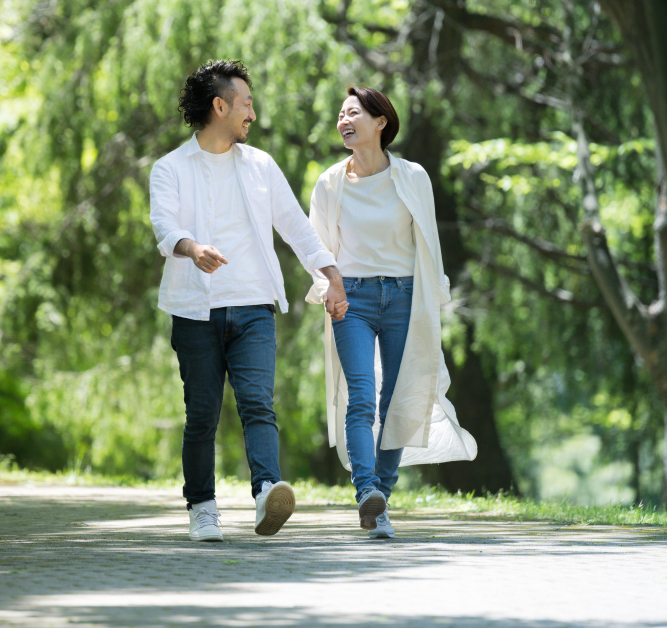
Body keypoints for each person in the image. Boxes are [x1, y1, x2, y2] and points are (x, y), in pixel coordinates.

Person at [149, 61, 348, 543]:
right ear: (219, 106)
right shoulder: (170, 167)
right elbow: (164, 227)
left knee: (259, 404)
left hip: (254, 305)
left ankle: (266, 495)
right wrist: (193, 249)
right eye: (246, 103)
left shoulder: (260, 164)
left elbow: (296, 226)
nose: (252, 114)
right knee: (203, 413)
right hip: (195, 310)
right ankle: (202, 508)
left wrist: (330, 272)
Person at [307, 86, 477, 539]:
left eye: (353, 112)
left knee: (400, 400)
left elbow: (430, 241)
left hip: (405, 298)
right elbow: (316, 246)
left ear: (380, 121)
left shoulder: (413, 176)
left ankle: (381, 498)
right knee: (361, 395)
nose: (344, 120)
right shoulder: (329, 183)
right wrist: (327, 287)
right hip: (352, 299)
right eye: (340, 114)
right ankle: (367, 491)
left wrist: (435, 297)